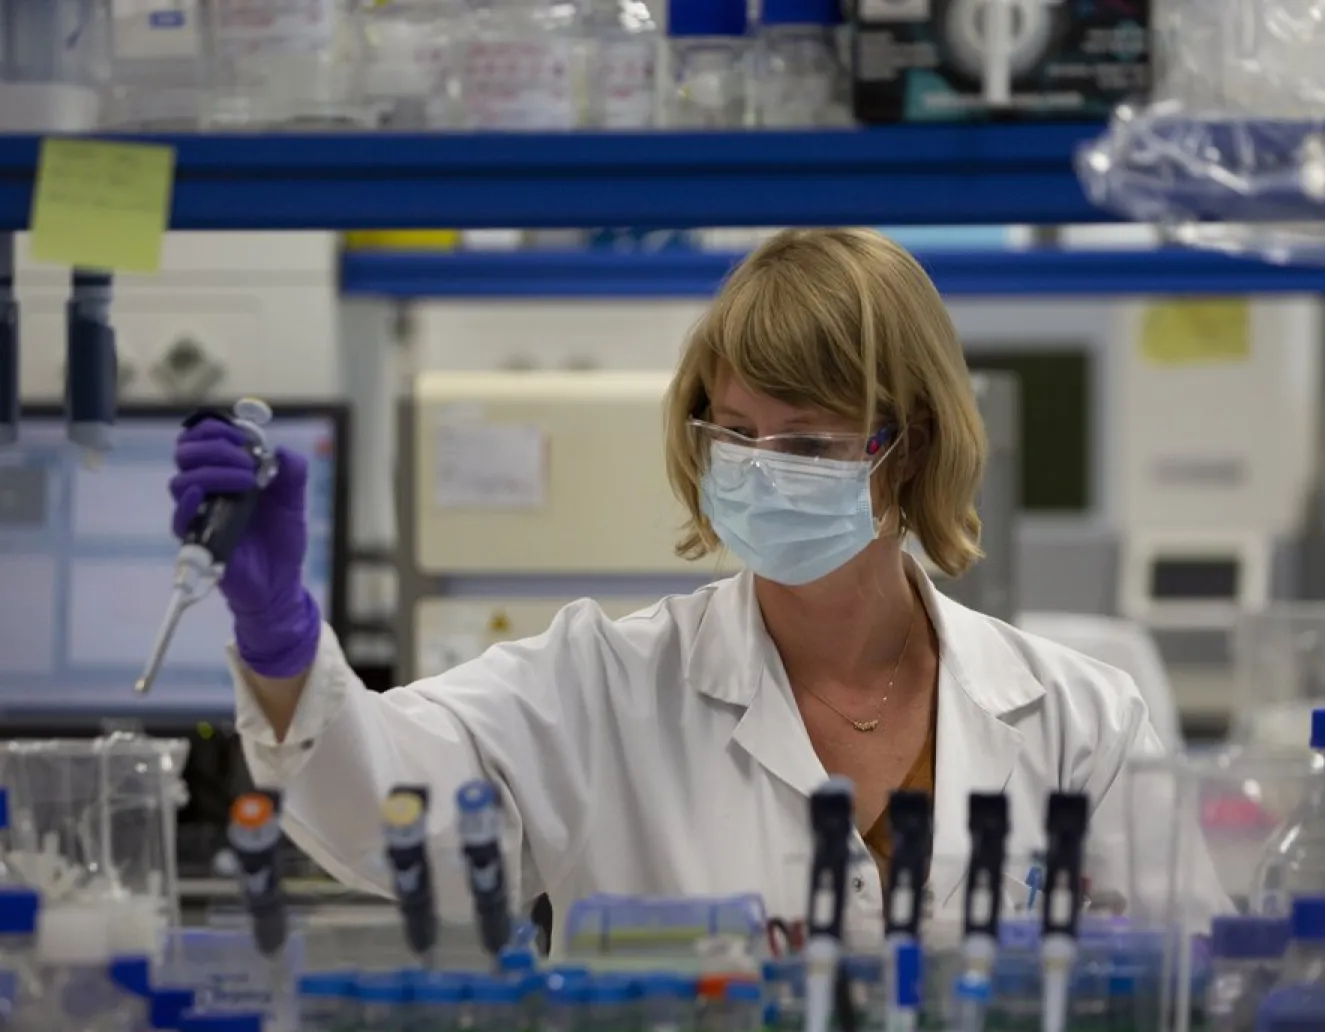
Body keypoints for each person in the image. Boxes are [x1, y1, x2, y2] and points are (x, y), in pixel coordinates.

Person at [171, 228, 1219, 950]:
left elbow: (1199, 988)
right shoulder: (601, 688)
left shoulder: (1079, 720)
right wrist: (278, 634)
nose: (761, 470)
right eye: (737, 435)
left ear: (911, 448)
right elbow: (383, 816)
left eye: (808, 441)